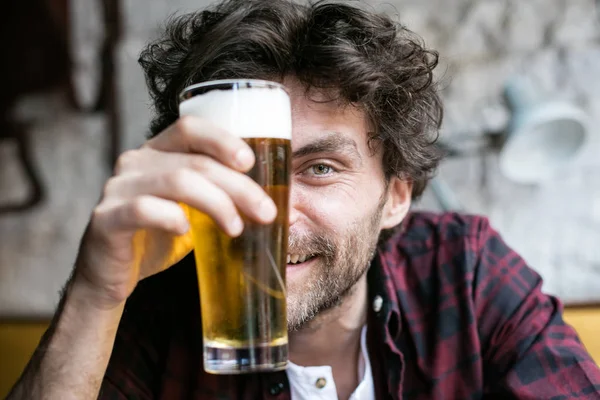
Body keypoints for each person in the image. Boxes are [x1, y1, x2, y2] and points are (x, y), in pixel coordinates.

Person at [8, 0, 600, 399]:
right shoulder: (155, 302)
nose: (268, 214)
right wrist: (95, 294)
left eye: (319, 168)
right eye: (234, 169)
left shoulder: (463, 271)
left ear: (396, 195)